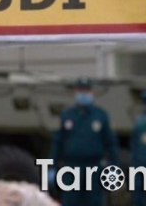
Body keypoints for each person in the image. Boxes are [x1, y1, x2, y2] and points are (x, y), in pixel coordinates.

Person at [51, 77, 119, 206]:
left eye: (86, 90)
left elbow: (111, 144)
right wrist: (52, 167)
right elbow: (57, 143)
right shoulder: (67, 115)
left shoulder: (100, 115)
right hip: (72, 167)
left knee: (95, 202)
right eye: (81, 90)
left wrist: (114, 167)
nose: (83, 93)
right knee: (71, 202)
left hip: (94, 168)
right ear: (75, 92)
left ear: (92, 92)